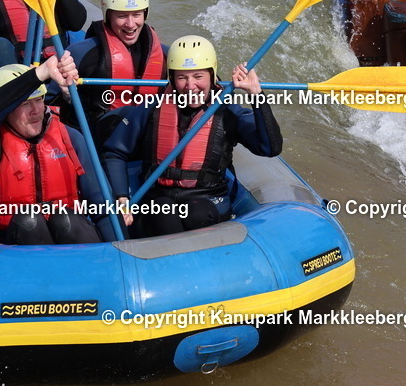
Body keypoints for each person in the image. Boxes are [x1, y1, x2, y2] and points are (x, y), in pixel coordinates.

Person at [102, 35, 282, 236]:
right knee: (163, 213)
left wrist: (256, 95)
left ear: (212, 75)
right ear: (171, 78)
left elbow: (270, 148)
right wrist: (121, 198)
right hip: (159, 197)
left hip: (208, 198)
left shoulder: (227, 111)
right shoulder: (152, 107)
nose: (190, 86)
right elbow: (114, 152)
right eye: (182, 77)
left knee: (195, 213)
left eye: (198, 76)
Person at [0, 56, 116, 245]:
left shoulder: (70, 136)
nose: (35, 111)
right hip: (16, 242)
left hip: (70, 238)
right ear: (4, 110)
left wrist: (120, 251)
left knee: (65, 220)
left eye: (38, 100)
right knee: (29, 221)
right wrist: (40, 73)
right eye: (25, 104)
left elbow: (101, 203)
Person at [66, 0, 167, 129]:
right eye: (122, 16)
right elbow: (48, 99)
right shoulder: (80, 53)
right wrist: (66, 93)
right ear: (108, 15)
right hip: (100, 140)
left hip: (146, 137)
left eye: (137, 14)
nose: (131, 24)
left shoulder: (167, 55)